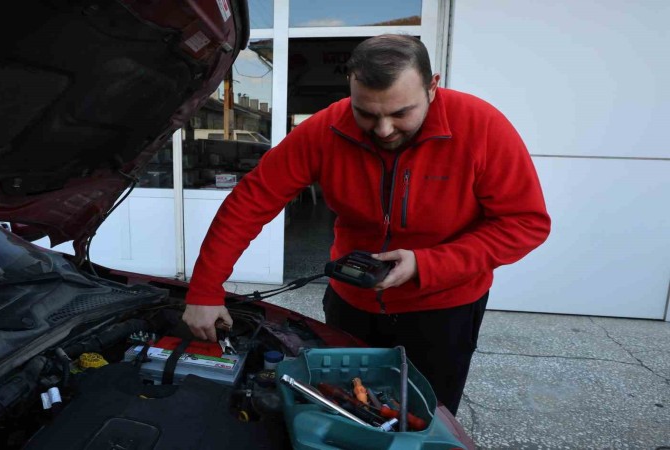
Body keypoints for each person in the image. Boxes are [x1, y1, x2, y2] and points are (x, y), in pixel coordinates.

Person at [182, 34, 551, 415]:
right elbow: (250, 202)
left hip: (443, 310)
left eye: (401, 113)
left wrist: (427, 264)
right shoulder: (326, 129)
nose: (384, 129)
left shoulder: (482, 127)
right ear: (351, 89)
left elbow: (525, 223)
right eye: (367, 114)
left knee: (424, 417)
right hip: (351, 304)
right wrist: (205, 291)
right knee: (344, 408)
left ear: (432, 86)